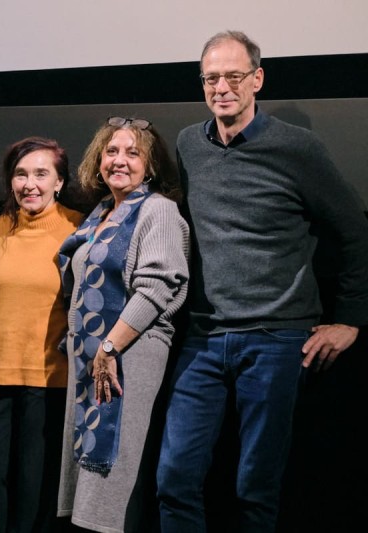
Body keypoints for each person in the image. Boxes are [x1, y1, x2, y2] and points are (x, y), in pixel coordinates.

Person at [155, 31, 368, 533]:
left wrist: (351, 321)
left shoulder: (297, 148)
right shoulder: (189, 143)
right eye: (212, 78)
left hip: (277, 339)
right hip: (204, 339)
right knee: (174, 480)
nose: (222, 87)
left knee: (256, 488)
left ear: (257, 78)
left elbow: (354, 232)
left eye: (233, 76)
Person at [57, 117, 189, 532]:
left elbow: (157, 286)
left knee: (112, 471)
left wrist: (110, 347)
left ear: (150, 166)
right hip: (92, 358)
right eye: (111, 151)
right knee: (89, 483)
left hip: (128, 355)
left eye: (133, 153)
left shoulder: (159, 211)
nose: (120, 160)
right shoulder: (98, 216)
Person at [0, 137, 83, 532]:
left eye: (40, 174)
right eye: (20, 174)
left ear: (59, 182)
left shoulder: (78, 228)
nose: (29, 184)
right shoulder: (2, 225)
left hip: (49, 377)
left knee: (34, 488)